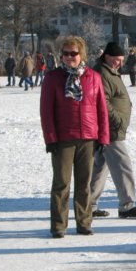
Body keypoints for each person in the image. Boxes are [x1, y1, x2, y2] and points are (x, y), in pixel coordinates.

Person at [40, 36, 110, 238]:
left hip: (88, 137)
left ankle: (84, 222)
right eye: (66, 53)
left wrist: (103, 138)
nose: (70, 57)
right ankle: (59, 226)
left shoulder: (93, 77)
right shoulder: (53, 78)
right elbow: (46, 111)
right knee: (61, 184)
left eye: (74, 53)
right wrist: (50, 138)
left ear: (82, 55)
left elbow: (102, 110)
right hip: (63, 139)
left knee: (84, 184)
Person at [90, 42, 136, 219]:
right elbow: (102, 102)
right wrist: (118, 120)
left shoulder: (111, 72)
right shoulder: (102, 73)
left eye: (122, 60)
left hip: (111, 128)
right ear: (107, 56)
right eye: (117, 59)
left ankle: (88, 206)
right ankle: (127, 206)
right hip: (110, 129)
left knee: (100, 167)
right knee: (123, 165)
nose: (119, 63)